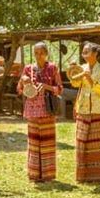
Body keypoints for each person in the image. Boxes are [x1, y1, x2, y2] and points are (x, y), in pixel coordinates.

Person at [17, 42, 63, 182]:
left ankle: (48, 174)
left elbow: (60, 88)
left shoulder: (53, 68)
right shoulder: (28, 69)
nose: (39, 56)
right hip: (32, 110)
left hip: (47, 110)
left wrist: (47, 87)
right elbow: (19, 90)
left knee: (47, 142)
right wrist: (23, 81)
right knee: (34, 142)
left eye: (41, 53)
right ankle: (34, 174)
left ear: (46, 53)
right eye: (36, 53)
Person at [69, 41, 100, 183]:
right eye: (83, 52)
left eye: (87, 51)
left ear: (95, 54)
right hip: (83, 108)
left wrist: (89, 78)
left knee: (97, 143)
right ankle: (82, 175)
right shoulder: (82, 67)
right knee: (82, 141)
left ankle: (99, 175)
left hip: (98, 109)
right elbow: (75, 84)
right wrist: (73, 71)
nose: (84, 54)